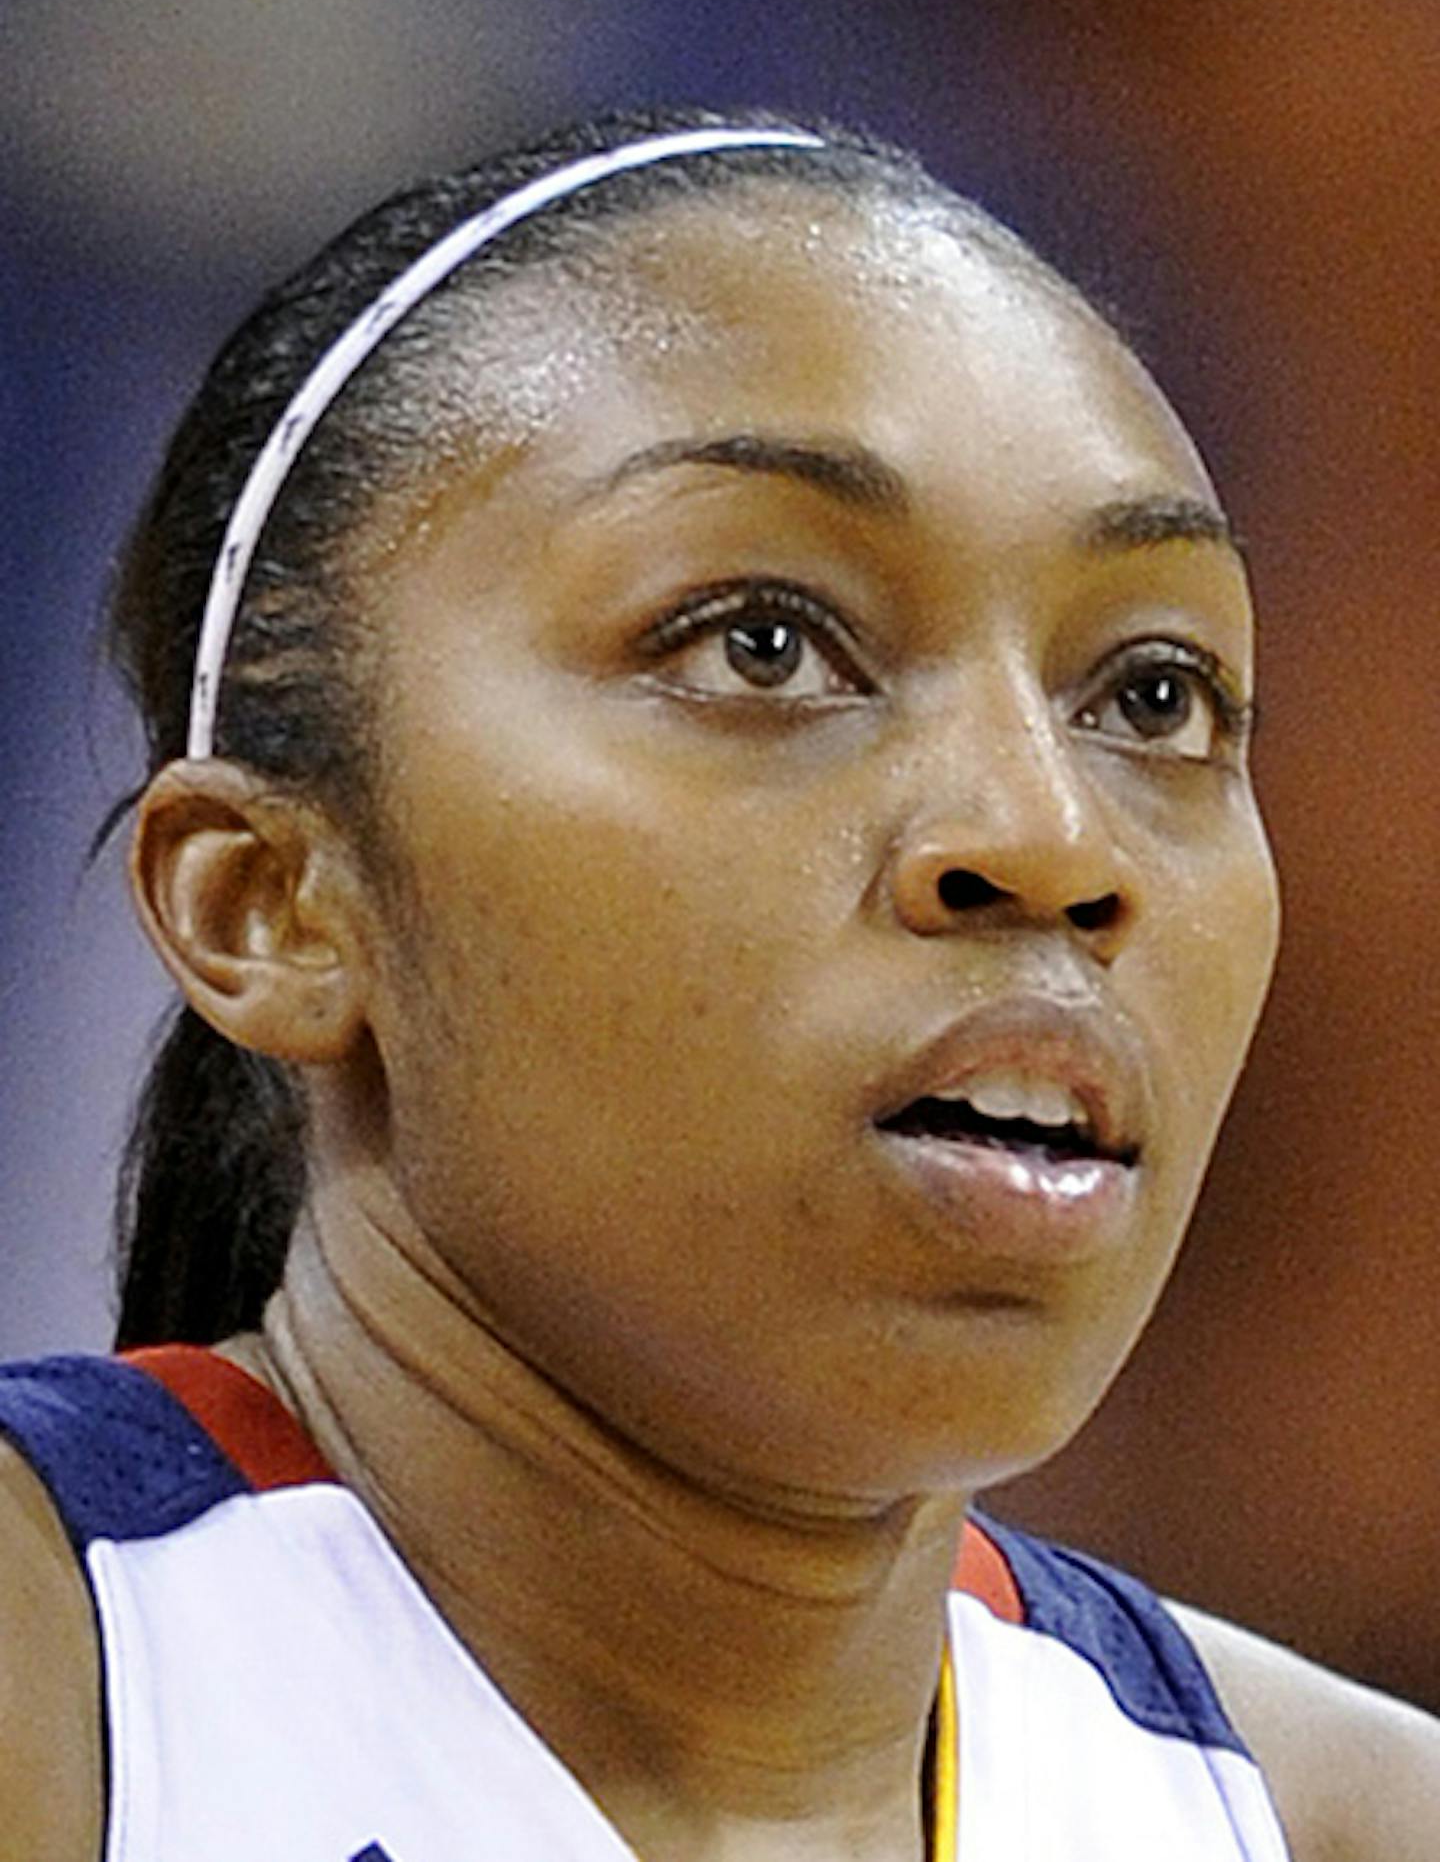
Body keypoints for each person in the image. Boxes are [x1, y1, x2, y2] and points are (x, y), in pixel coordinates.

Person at [0, 106, 1434, 1862]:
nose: (1052, 838)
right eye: (763, 642)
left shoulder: (1351, 1823)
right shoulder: (60, 1688)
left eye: (1154, 695)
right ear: (273, 904)